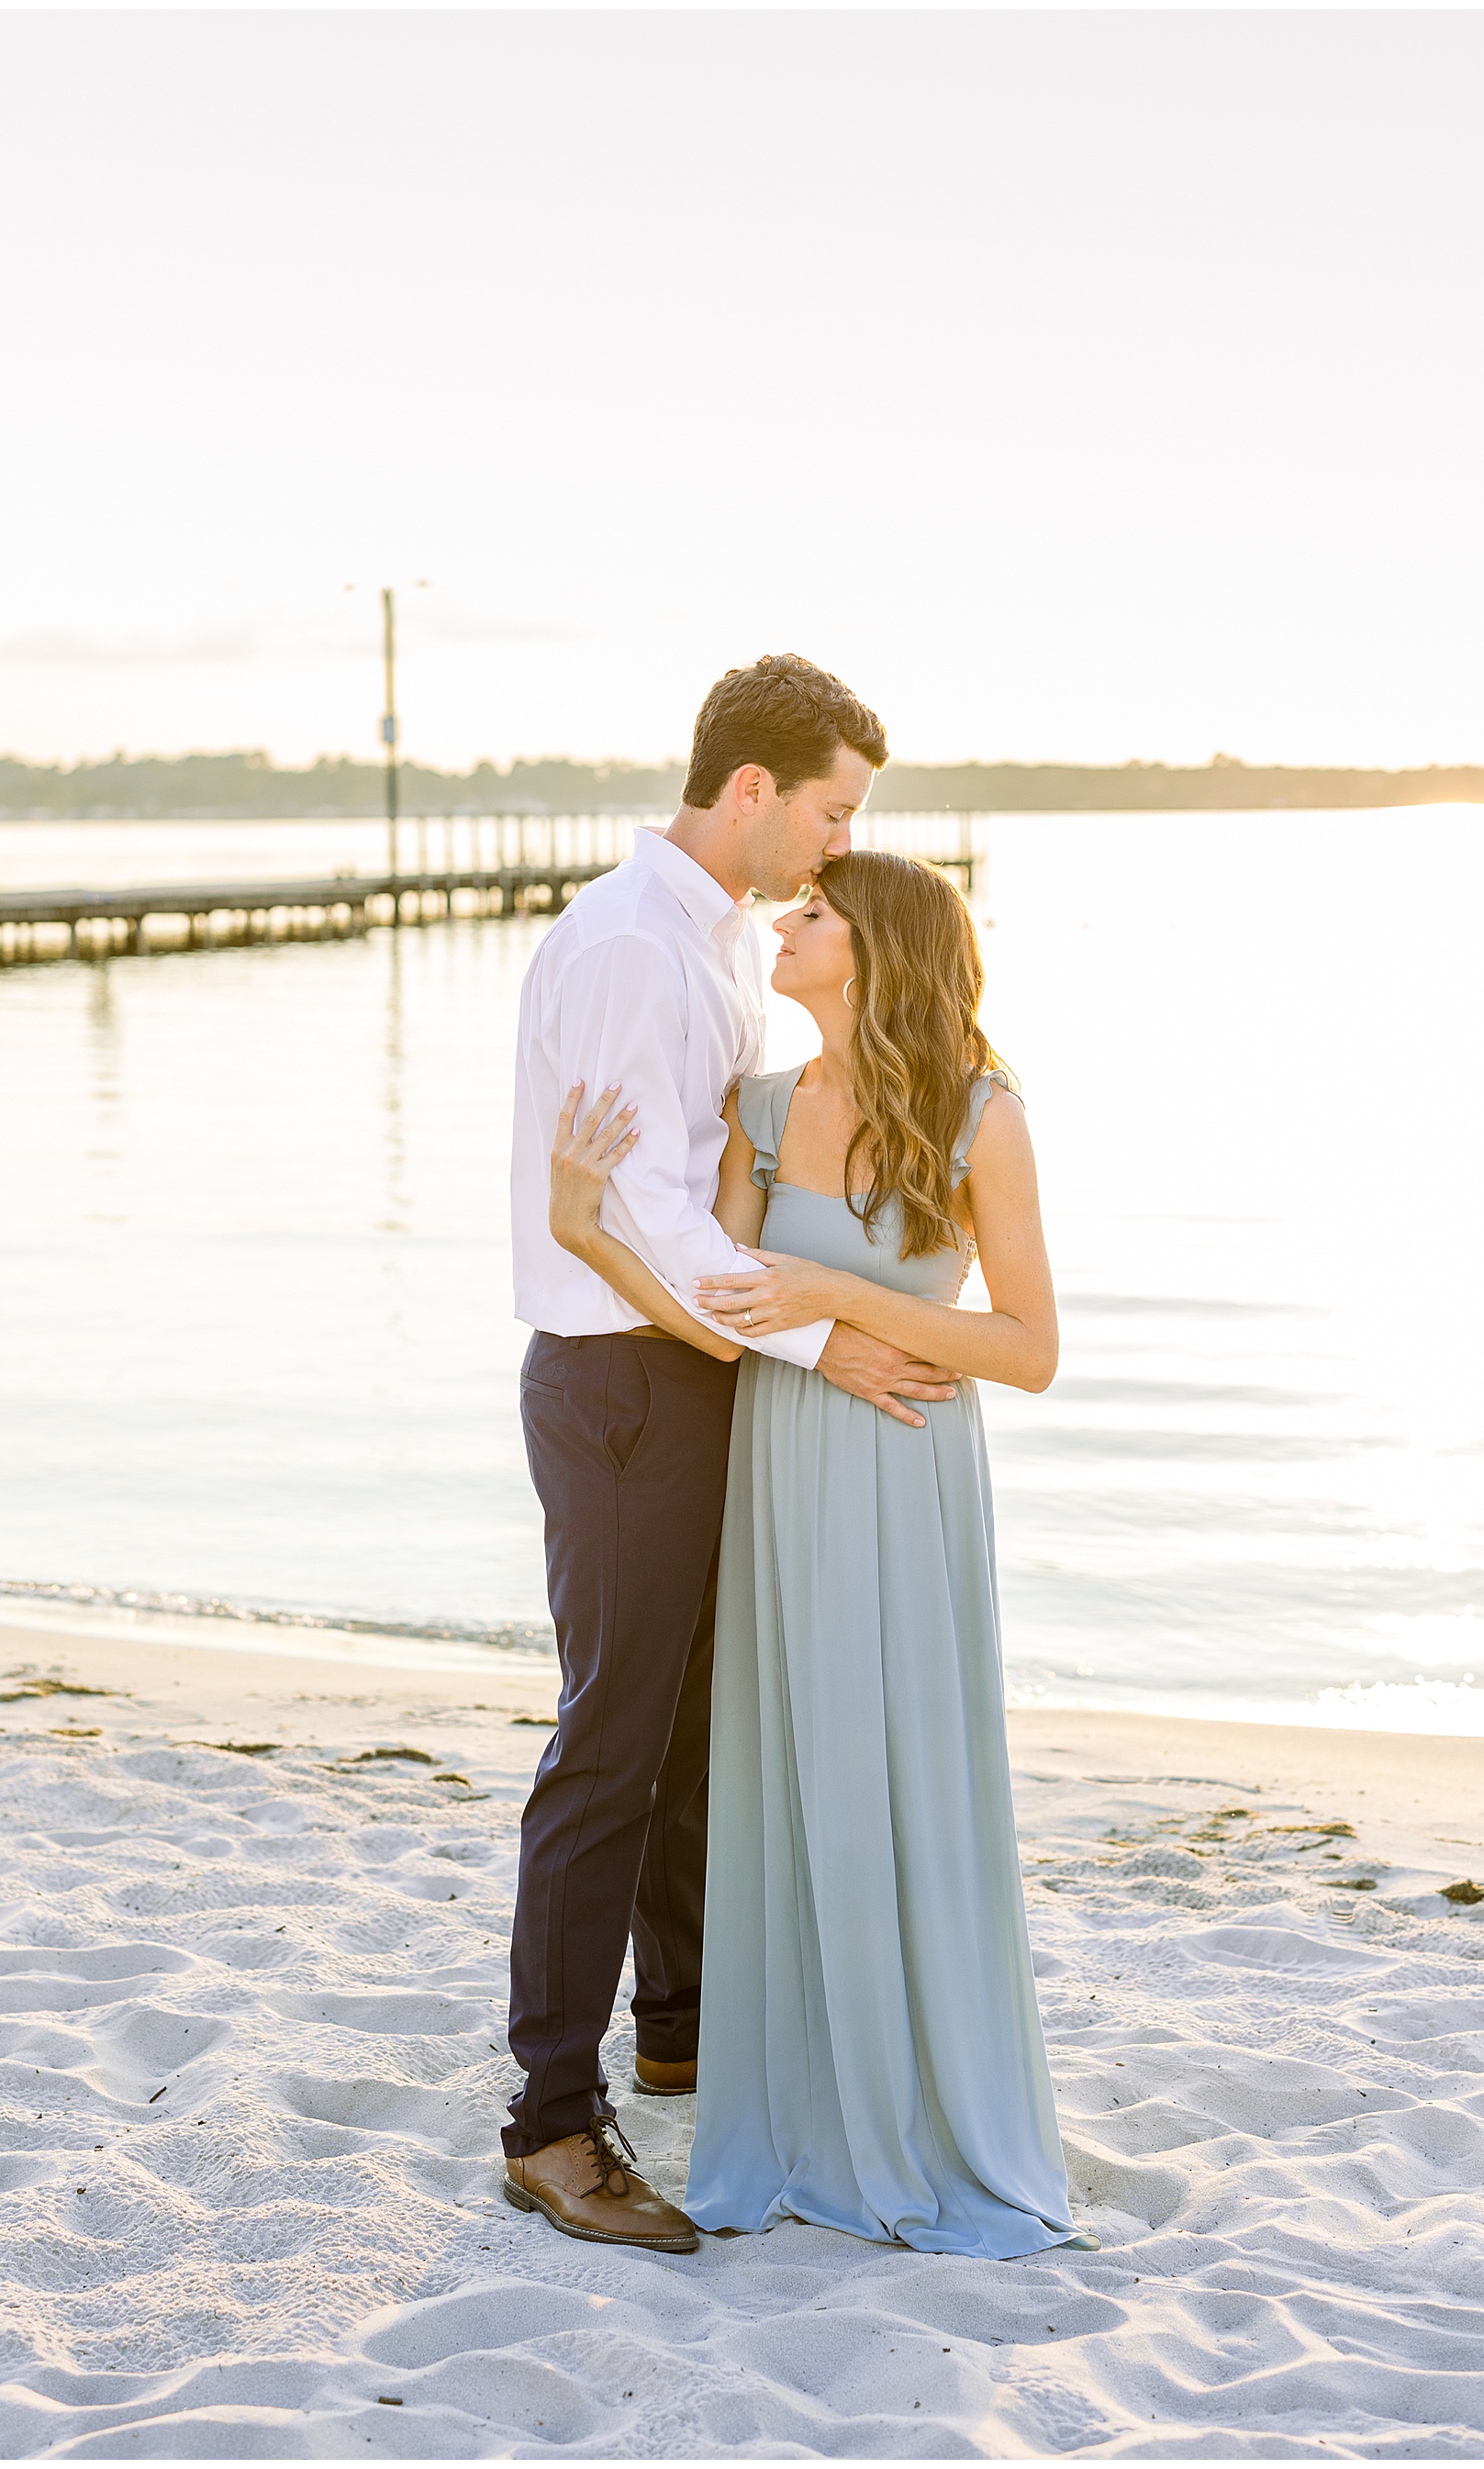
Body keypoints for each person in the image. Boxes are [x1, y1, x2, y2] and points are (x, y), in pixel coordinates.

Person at [550, 847, 1097, 2259]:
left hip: (905, 1473)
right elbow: (719, 1301)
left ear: (873, 949)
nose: (783, 920)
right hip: (779, 1464)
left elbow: (1029, 1350)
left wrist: (848, 1299)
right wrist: (581, 1228)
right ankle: (797, 2088)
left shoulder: (987, 1114)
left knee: (897, 1773)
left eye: (814, 912)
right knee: (789, 1777)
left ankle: (920, 2099)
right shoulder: (764, 1107)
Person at [505, 655, 963, 2254]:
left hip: (690, 1372)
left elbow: (720, 1187)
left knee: (695, 1726)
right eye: (834, 809)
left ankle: (680, 2024)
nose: (840, 845)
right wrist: (825, 1338)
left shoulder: (708, 942)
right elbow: (648, 1217)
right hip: (626, 1378)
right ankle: (552, 2123)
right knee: (614, 1739)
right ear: (755, 790)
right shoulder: (636, 948)